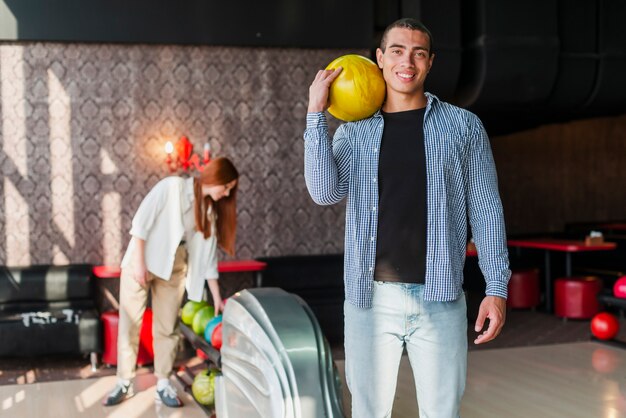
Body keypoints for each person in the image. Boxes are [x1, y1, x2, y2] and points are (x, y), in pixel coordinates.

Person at [304, 18, 511, 418]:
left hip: (442, 299)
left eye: (418, 53)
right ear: (380, 59)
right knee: (369, 412)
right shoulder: (353, 132)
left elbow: (486, 209)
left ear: (430, 62)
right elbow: (325, 193)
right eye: (397, 51)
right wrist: (316, 114)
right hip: (370, 300)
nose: (407, 62)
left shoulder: (463, 127)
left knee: (441, 412)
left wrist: (496, 287)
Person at [103, 157, 239, 408]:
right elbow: (141, 224)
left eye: (230, 189)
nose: (227, 192)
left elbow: (208, 260)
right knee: (130, 324)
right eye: (227, 186)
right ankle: (123, 381)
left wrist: (217, 297)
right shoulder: (172, 187)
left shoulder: (207, 211)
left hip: (175, 267)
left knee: (168, 327)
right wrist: (139, 263)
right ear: (215, 178)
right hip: (143, 258)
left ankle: (163, 384)